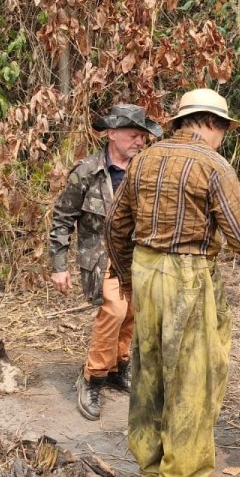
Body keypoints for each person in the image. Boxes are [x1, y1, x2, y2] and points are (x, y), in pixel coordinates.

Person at [107, 89, 240, 477]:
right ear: (213, 124)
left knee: (150, 369)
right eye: (223, 128)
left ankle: (153, 465)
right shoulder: (213, 165)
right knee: (194, 377)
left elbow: (116, 225)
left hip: (147, 270)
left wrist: (130, 278)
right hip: (187, 275)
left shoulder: (144, 159)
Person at [50, 105, 162, 421]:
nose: (140, 142)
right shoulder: (87, 171)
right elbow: (62, 218)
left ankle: (118, 365)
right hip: (101, 259)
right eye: (133, 135)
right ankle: (92, 377)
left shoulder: (146, 171)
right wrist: (59, 265)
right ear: (112, 133)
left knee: (132, 314)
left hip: (137, 258)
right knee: (113, 310)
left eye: (143, 136)